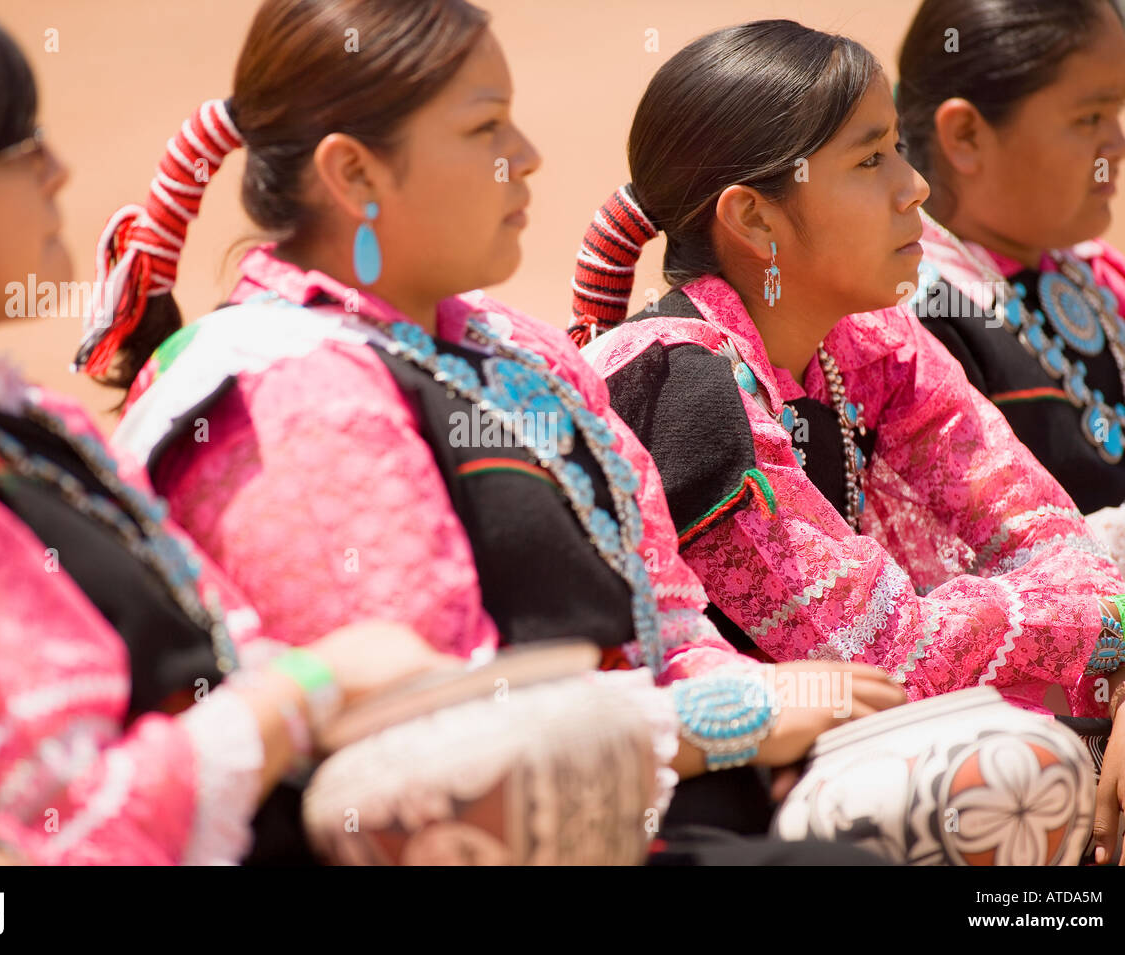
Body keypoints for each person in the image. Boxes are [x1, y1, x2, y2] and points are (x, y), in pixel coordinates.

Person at [78, 0, 922, 859]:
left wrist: (774, 718)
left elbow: (668, 628)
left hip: (642, 807)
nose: (526, 157)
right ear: (356, 174)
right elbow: (435, 733)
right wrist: (730, 722)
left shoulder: (513, 347)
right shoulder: (282, 390)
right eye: (486, 128)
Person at [0, 0, 521, 866]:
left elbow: (228, 650)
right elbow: (64, 833)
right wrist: (312, 683)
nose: (58, 171)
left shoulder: (14, 419)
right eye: (18, 149)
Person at [569, 19, 1125, 865]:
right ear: (757, 221)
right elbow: (893, 650)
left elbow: (1038, 527)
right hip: (698, 801)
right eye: (871, 159)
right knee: (1015, 778)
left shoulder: (871, 342)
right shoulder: (678, 383)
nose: (913, 186)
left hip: (848, 750)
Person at [896, 0, 1125, 597]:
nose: (1118, 144)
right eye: (1089, 117)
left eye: (1119, 112)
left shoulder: (1107, 283)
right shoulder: (909, 316)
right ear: (965, 135)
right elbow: (953, 576)